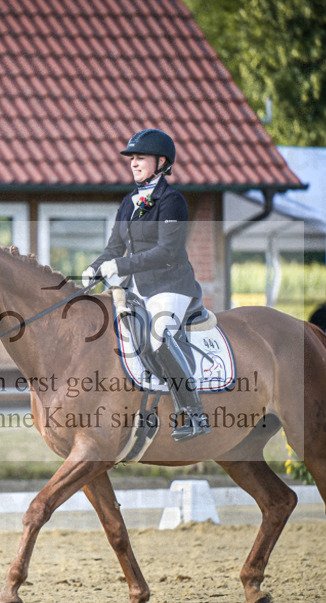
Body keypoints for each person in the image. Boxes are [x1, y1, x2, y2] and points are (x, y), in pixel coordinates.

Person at [82, 128, 209, 442]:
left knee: (159, 337)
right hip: (139, 289)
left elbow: (167, 251)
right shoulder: (129, 202)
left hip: (172, 287)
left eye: (140, 158)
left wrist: (121, 265)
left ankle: (194, 414)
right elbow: (114, 248)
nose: (134, 163)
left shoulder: (172, 201)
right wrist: (93, 268)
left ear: (161, 161)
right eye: (132, 159)